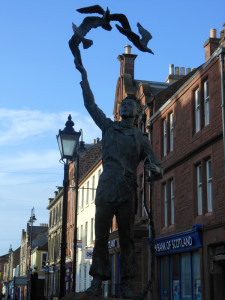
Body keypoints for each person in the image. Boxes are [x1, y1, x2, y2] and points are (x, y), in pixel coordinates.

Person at [69, 39, 163, 299]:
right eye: (121, 107)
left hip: (127, 192)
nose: (123, 109)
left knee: (127, 239)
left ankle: (125, 286)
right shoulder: (108, 129)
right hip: (106, 191)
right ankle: (97, 283)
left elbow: (154, 162)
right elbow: (91, 105)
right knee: (100, 238)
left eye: (127, 107)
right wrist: (84, 76)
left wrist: (156, 170)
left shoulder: (140, 138)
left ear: (135, 113)